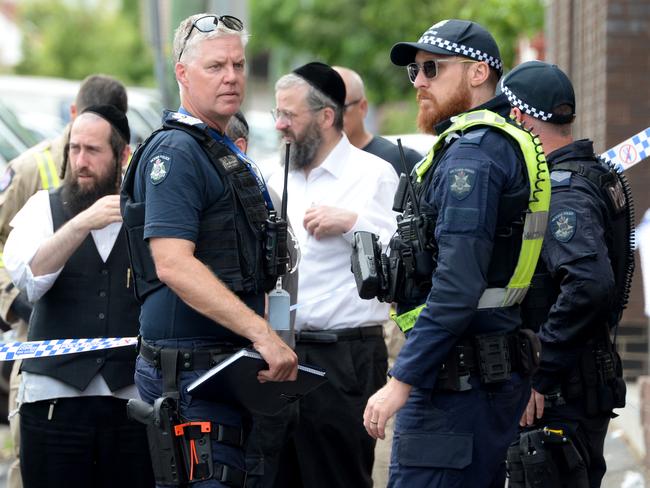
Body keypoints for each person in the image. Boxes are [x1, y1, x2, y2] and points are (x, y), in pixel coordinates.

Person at [362, 19, 551, 487]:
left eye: (432, 67)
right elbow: (526, 270)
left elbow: (457, 285)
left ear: (477, 73)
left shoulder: (474, 155)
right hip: (484, 379)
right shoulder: (499, 142)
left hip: (454, 388)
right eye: (415, 71)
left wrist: (400, 380)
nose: (420, 81)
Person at [120, 13, 297, 488]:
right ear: (182, 73)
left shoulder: (216, 148)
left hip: (224, 370)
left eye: (238, 65)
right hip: (192, 377)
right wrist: (262, 333)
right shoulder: (177, 153)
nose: (232, 77)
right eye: (216, 66)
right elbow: (173, 263)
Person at [3, 106, 153, 487]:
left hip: (129, 403)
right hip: (53, 403)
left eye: (92, 151)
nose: (80, 162)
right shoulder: (42, 207)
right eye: (74, 149)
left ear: (123, 156)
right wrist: (81, 223)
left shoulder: (147, 214)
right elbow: (31, 281)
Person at [501, 61, 633, 488]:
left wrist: (542, 371)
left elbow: (590, 284)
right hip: (578, 383)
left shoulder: (563, 191)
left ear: (520, 118)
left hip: (560, 395)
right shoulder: (593, 174)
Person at [267, 61, 398, 488]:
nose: (280, 125)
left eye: (290, 115)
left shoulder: (372, 174)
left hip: (344, 358)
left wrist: (352, 222)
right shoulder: (274, 176)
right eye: (277, 114)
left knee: (338, 478)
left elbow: (399, 254)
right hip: (281, 354)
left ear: (326, 116)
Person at [332, 66, 423, 175]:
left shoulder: (402, 160)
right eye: (321, 110)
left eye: (340, 108)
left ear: (362, 107)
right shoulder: (314, 165)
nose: (330, 118)